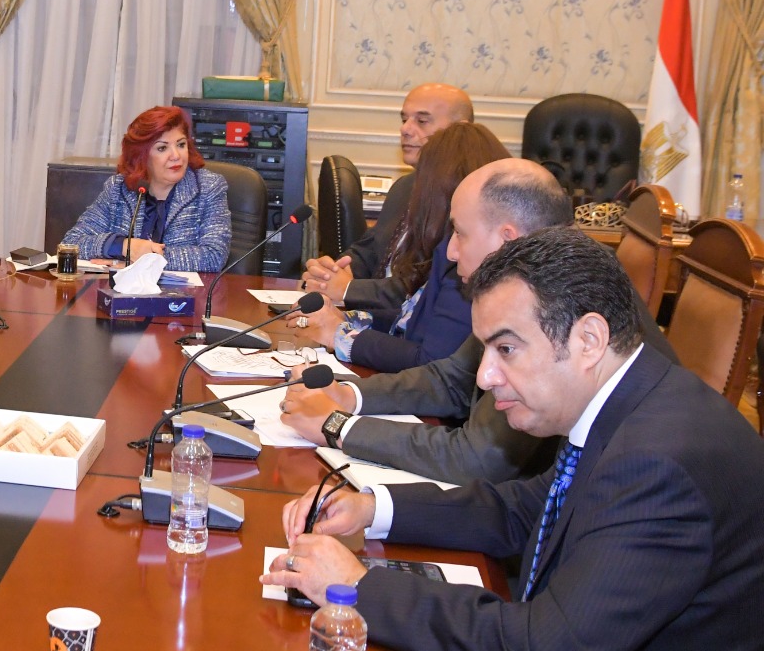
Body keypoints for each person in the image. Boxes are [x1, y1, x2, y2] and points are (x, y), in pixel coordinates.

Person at [263, 228, 764, 651]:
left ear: (588, 340)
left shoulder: (658, 463)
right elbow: (525, 510)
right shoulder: (628, 399)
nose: (485, 376)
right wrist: (375, 508)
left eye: (506, 348)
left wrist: (359, 587)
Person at [280, 159, 684, 485]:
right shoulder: (531, 279)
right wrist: (349, 396)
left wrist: (338, 427)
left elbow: (477, 458)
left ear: (507, 239)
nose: (451, 252)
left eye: (460, 233)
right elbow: (452, 379)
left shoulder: (560, 298)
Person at [290, 122, 509, 372]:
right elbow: (410, 318)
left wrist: (339, 334)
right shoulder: (448, 246)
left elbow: (430, 362)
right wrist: (347, 319)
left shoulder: (468, 260)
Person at [303, 83, 473, 311]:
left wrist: (348, 289)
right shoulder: (404, 187)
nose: (406, 129)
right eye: (404, 119)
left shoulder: (466, 199)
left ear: (460, 128)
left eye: (422, 121)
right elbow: (369, 250)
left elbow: (421, 288)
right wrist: (330, 272)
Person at [61, 106, 232, 272]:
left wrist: (144, 259)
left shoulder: (208, 187)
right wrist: (125, 246)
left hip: (185, 291)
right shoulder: (119, 188)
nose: (176, 156)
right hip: (123, 290)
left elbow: (214, 256)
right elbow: (71, 243)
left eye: (181, 144)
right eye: (162, 148)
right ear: (142, 156)